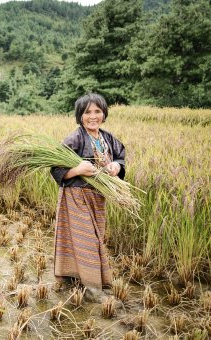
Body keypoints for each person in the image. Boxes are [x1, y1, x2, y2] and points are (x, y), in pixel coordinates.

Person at [50, 93, 125, 301]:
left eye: (97, 111)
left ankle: (75, 279)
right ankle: (93, 289)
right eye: (87, 112)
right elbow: (56, 168)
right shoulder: (74, 138)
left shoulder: (107, 138)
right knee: (87, 241)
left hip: (98, 197)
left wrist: (116, 166)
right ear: (80, 116)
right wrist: (77, 169)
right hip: (76, 196)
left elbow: (120, 156)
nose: (93, 116)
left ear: (104, 113)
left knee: (96, 236)